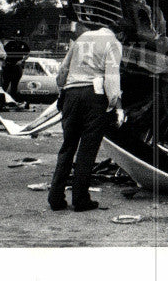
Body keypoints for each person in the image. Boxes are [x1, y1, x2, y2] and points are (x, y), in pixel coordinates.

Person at [48, 19, 125, 212]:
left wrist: (62, 91)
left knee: (67, 147)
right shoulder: (114, 43)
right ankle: (80, 199)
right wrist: (115, 105)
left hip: (71, 95)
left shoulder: (82, 38)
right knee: (87, 150)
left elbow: (63, 70)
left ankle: (55, 198)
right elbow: (112, 77)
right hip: (94, 96)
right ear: (121, 33)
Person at [2, 30, 31, 106]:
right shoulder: (9, 44)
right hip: (9, 66)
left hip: (17, 66)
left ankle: (12, 101)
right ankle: (2, 101)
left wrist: (22, 60)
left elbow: (28, 54)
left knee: (14, 86)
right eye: (16, 36)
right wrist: (4, 63)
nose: (17, 38)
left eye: (19, 37)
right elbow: (3, 53)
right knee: (5, 84)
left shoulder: (23, 45)